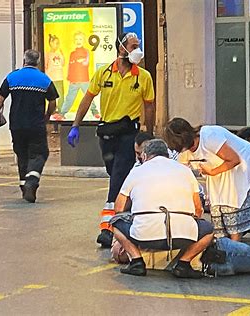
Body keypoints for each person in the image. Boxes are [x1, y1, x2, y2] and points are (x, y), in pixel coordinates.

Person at [67, 32, 155, 248]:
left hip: (128, 133)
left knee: (116, 178)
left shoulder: (142, 77)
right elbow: (87, 98)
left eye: (138, 46)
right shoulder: (104, 73)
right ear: (121, 48)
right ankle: (130, 213)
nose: (137, 50)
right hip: (107, 133)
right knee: (115, 173)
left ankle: (107, 228)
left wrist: (148, 133)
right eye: (133, 46)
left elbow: (150, 105)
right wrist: (75, 125)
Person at [111, 139, 213, 278]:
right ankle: (184, 264)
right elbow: (198, 210)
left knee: (115, 222)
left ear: (145, 156)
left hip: (144, 237)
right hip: (183, 237)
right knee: (208, 230)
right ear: (167, 155)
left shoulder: (137, 171)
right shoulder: (185, 171)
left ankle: (136, 261)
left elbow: (118, 208)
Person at [164, 118, 250, 241]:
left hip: (241, 165)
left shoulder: (209, 136)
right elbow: (181, 173)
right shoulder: (183, 151)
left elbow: (234, 159)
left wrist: (212, 172)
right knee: (217, 206)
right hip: (217, 170)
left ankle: (234, 246)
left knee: (232, 205)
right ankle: (221, 241)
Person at [0, 49, 58, 203]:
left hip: (17, 125)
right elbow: (53, 101)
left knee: (22, 154)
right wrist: (47, 116)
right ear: (38, 61)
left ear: (24, 61)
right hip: (36, 124)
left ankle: (24, 186)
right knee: (40, 153)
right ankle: (31, 182)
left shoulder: (13, 77)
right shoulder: (44, 79)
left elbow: (0, 99)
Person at [60, 31, 99, 119]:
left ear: (84, 41)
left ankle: (94, 111)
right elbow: (70, 66)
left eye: (80, 39)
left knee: (89, 96)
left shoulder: (86, 52)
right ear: (74, 41)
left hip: (84, 79)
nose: (78, 41)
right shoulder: (72, 53)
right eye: (76, 39)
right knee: (69, 97)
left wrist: (79, 61)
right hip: (74, 80)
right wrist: (69, 77)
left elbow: (86, 62)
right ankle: (62, 113)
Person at [44, 34, 65, 119]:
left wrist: (61, 54)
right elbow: (45, 66)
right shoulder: (47, 54)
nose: (56, 45)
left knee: (61, 95)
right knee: (52, 97)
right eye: (55, 43)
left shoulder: (59, 54)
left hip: (59, 77)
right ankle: (52, 111)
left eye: (58, 43)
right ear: (50, 43)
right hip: (51, 78)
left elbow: (63, 64)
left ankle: (60, 111)